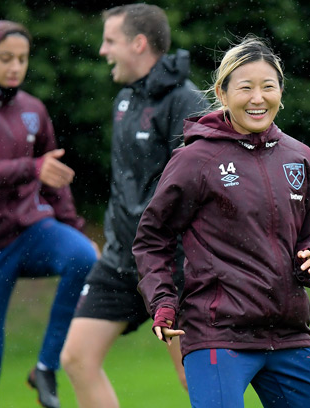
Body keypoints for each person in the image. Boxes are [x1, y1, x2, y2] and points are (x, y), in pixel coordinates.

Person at [132, 36, 310, 408]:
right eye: (245, 88)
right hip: (216, 333)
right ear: (222, 94)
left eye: (268, 87)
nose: (258, 98)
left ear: (281, 91)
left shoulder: (302, 157)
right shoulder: (195, 160)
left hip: (288, 334)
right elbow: (153, 237)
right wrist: (162, 300)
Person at [0, 20, 99, 408]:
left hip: (31, 231)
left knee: (84, 256)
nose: (15, 67)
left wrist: (75, 227)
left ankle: (45, 367)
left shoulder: (33, 109)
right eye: (5, 58)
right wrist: (32, 168)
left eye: (23, 59)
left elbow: (53, 178)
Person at [58, 4, 208, 407]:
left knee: (193, 377)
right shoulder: (124, 100)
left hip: (174, 265)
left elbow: (201, 187)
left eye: (110, 41)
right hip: (122, 260)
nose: (103, 51)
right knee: (76, 357)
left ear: (138, 43)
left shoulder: (186, 101)